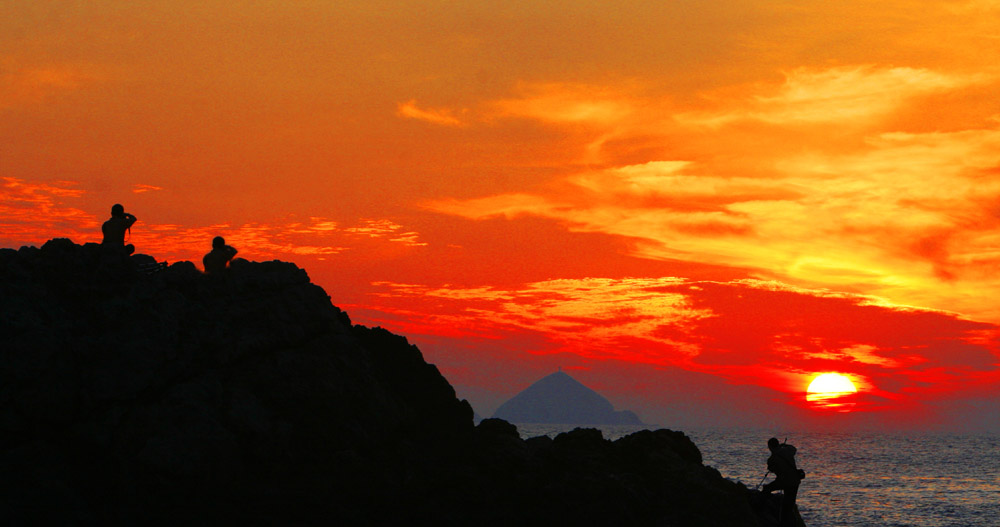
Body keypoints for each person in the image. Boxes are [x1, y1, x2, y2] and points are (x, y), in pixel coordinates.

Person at [762, 437, 804, 527]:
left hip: (783, 482)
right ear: (778, 444)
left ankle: (762, 508)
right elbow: (793, 449)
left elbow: (771, 469)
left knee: (767, 489)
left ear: (770, 447)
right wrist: (784, 445)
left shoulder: (772, 459)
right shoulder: (788, 451)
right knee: (789, 505)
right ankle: (793, 523)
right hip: (794, 482)